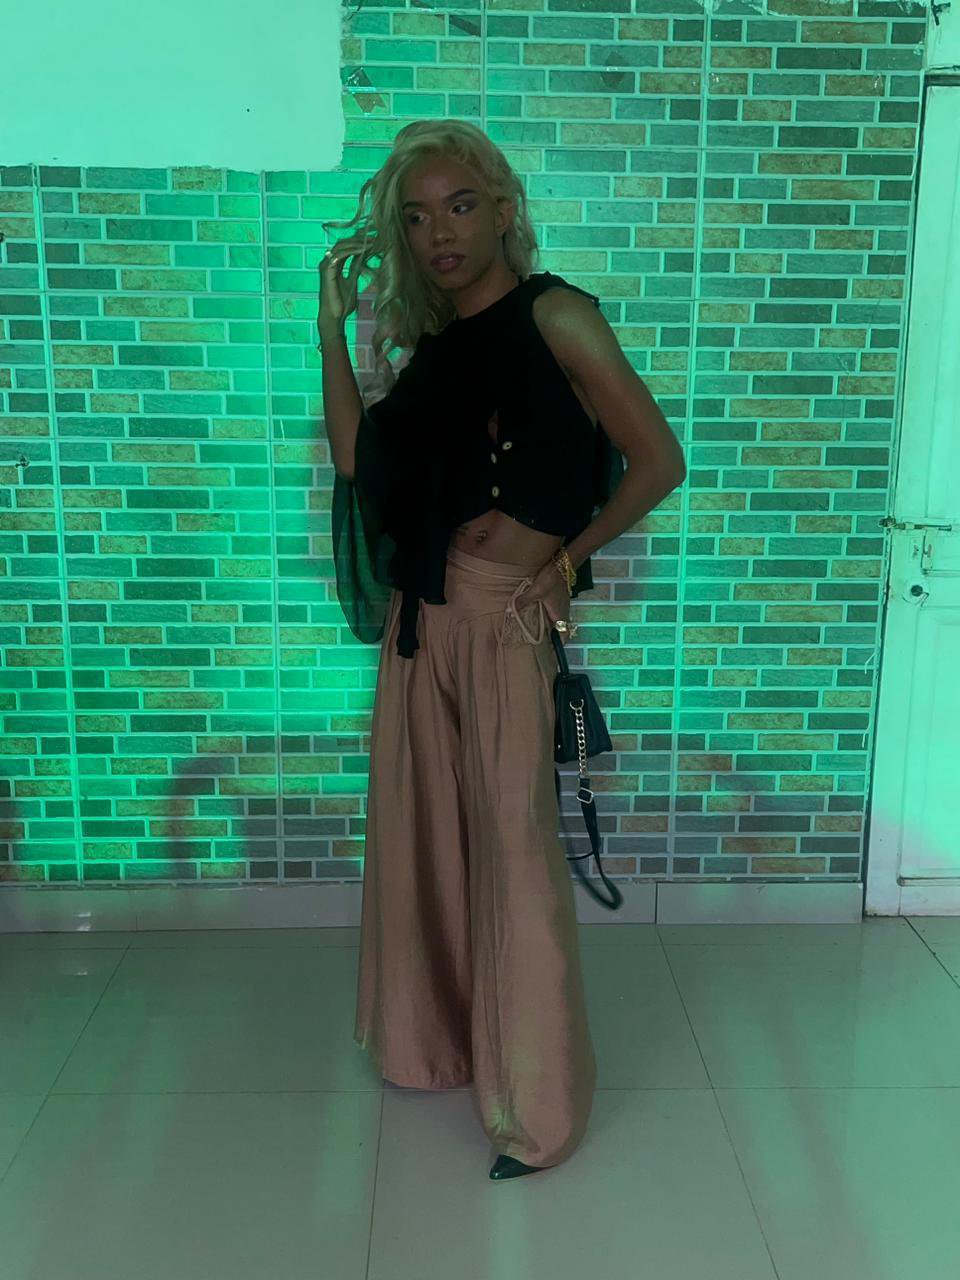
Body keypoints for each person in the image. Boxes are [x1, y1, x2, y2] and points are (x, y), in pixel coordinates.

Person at [317, 120, 685, 1181]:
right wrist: (331, 326)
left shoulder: (557, 314)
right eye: (417, 216)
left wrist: (566, 560)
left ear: (504, 209)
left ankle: (537, 1110)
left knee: (514, 857)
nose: (440, 232)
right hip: (421, 624)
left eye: (460, 206)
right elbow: (358, 459)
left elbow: (658, 460)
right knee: (424, 840)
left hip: (501, 616)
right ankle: (431, 1044)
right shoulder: (435, 351)